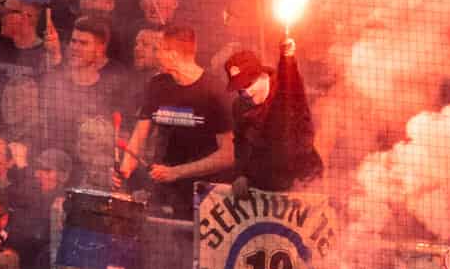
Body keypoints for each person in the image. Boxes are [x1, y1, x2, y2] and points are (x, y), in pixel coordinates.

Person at [117, 25, 234, 218]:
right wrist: (125, 167)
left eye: (157, 50)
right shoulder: (157, 84)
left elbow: (228, 154)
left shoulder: (215, 90)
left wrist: (177, 172)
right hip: (163, 191)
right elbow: (139, 136)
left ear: (172, 54)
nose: (155, 55)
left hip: (205, 196)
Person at [223, 39, 322, 193]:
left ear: (262, 75)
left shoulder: (286, 94)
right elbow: (240, 144)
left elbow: (291, 82)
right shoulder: (239, 106)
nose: (246, 92)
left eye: (249, 84)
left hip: (302, 179)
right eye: (240, 89)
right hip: (265, 181)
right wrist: (241, 175)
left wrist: (287, 57)